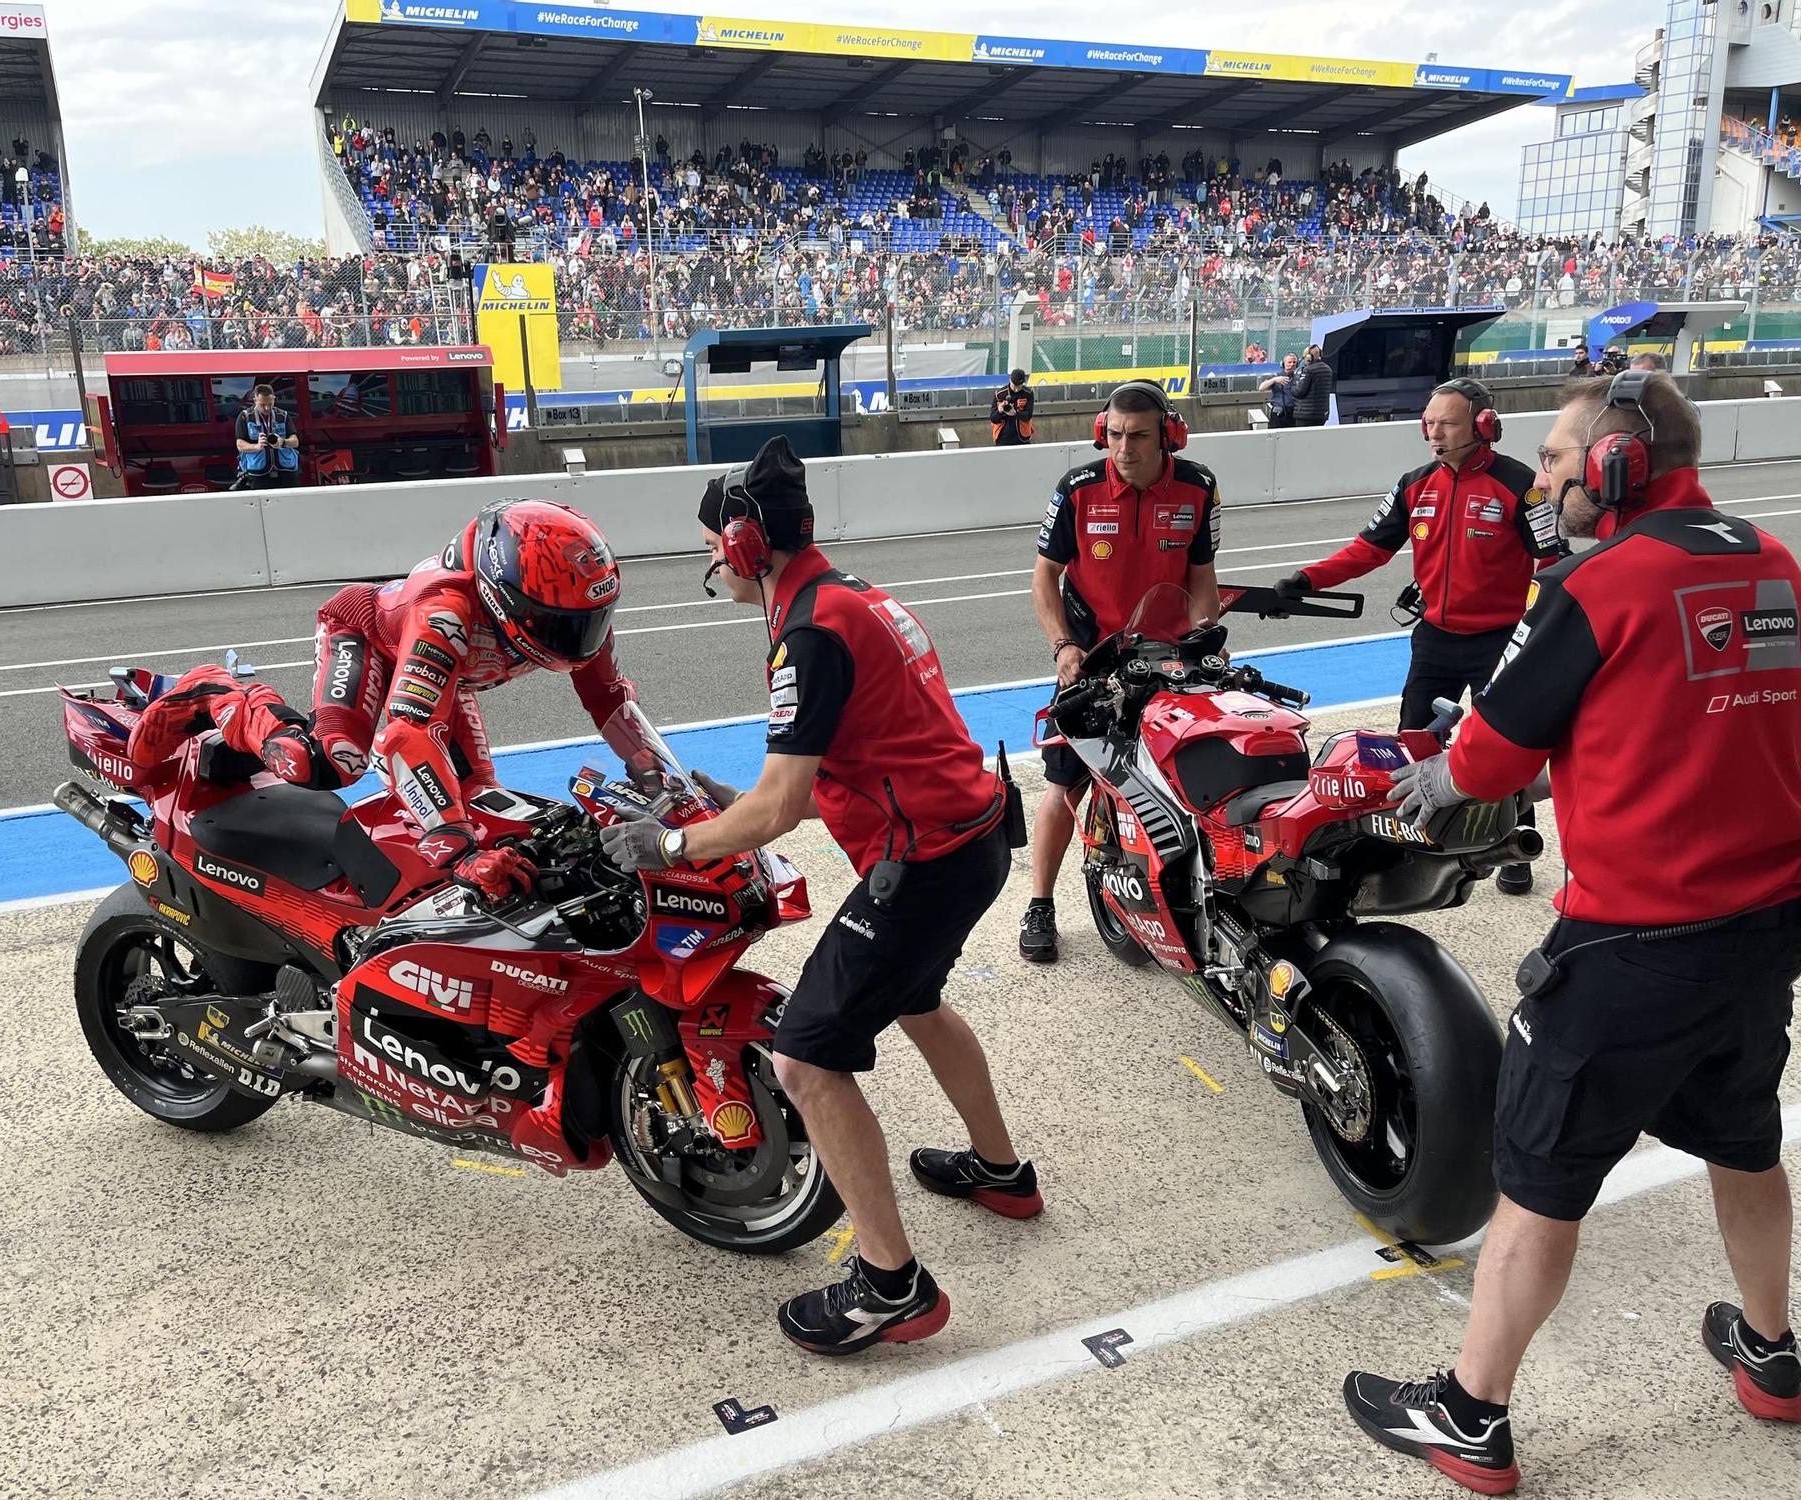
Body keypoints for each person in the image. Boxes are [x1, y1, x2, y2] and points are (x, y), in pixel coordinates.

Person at [1347, 369, 1801, 1494]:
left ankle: (1467, 1415)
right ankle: (1770, 1352)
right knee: (1744, 1138)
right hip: (1761, 931)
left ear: (1614, 465)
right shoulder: (1769, 558)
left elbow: (1488, 760)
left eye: (1555, 458)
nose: (1541, 476)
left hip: (1628, 943)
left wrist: (1423, 782)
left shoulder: (1600, 582)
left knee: (1538, 1181)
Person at [600, 436, 1037, 1355]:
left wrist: (669, 843)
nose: (719, 557)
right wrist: (729, 800)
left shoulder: (807, 632)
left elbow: (782, 811)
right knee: (916, 1000)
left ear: (748, 547)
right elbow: (827, 770)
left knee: (804, 1061)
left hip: (921, 864)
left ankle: (891, 1286)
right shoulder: (854, 598)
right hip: (973, 838)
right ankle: (1003, 1174)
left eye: (724, 539)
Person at [242, 500, 651, 902]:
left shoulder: (577, 609)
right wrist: (456, 848)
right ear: (502, 597)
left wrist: (654, 772)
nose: (580, 640)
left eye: (593, 619)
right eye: (559, 624)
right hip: (366, 638)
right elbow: (408, 734)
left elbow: (609, 698)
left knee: (480, 798)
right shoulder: (446, 610)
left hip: (446, 675)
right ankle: (226, 698)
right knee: (331, 760)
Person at [1276, 377, 1563, 893]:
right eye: (1429, 423)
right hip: (1434, 639)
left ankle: (1515, 846)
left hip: (1501, 642)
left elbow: (1553, 562)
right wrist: (1308, 578)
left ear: (1483, 425)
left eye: (1447, 423)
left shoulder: (1524, 487)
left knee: (1508, 745)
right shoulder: (1414, 484)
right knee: (1412, 744)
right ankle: (1412, 837)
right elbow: (1369, 549)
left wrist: (1538, 629)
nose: (1434, 433)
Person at [1023, 382, 1222, 962]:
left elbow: (1202, 576)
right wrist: (1063, 646)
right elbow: (1044, 576)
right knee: (1065, 782)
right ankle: (1041, 904)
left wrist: (1207, 641)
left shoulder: (1198, 486)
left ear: (1168, 436)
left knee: (1177, 775)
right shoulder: (1078, 489)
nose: (1124, 449)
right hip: (1089, 653)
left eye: (1138, 436)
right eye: (1114, 435)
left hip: (1164, 652)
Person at [234, 384, 301, 489]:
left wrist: (282, 442)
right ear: (255, 400)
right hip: (258, 471)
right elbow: (240, 445)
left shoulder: (283, 415)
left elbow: (295, 441)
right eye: (262, 404)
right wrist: (257, 446)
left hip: (286, 470)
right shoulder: (245, 416)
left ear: (274, 398)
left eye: (270, 404)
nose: (267, 408)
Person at [1289, 343, 1334, 426]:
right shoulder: (1328, 369)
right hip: (1321, 413)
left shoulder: (1308, 370)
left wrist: (1292, 384)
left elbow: (1299, 392)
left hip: (1306, 414)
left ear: (1309, 357)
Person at [989, 368, 1035, 445]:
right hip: (1002, 437)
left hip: (1022, 438)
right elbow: (993, 418)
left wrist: (1015, 413)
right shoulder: (1000, 394)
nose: (1016, 389)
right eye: (1014, 386)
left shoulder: (1028, 393)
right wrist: (1000, 411)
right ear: (1010, 380)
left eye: (1019, 386)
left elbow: (1028, 415)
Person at [1260, 352, 1299, 428]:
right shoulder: (1276, 376)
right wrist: (1274, 380)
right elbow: (1261, 388)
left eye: (1294, 362)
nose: (1292, 364)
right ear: (1283, 364)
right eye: (1289, 362)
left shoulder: (1298, 378)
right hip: (1279, 414)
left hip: (1293, 413)